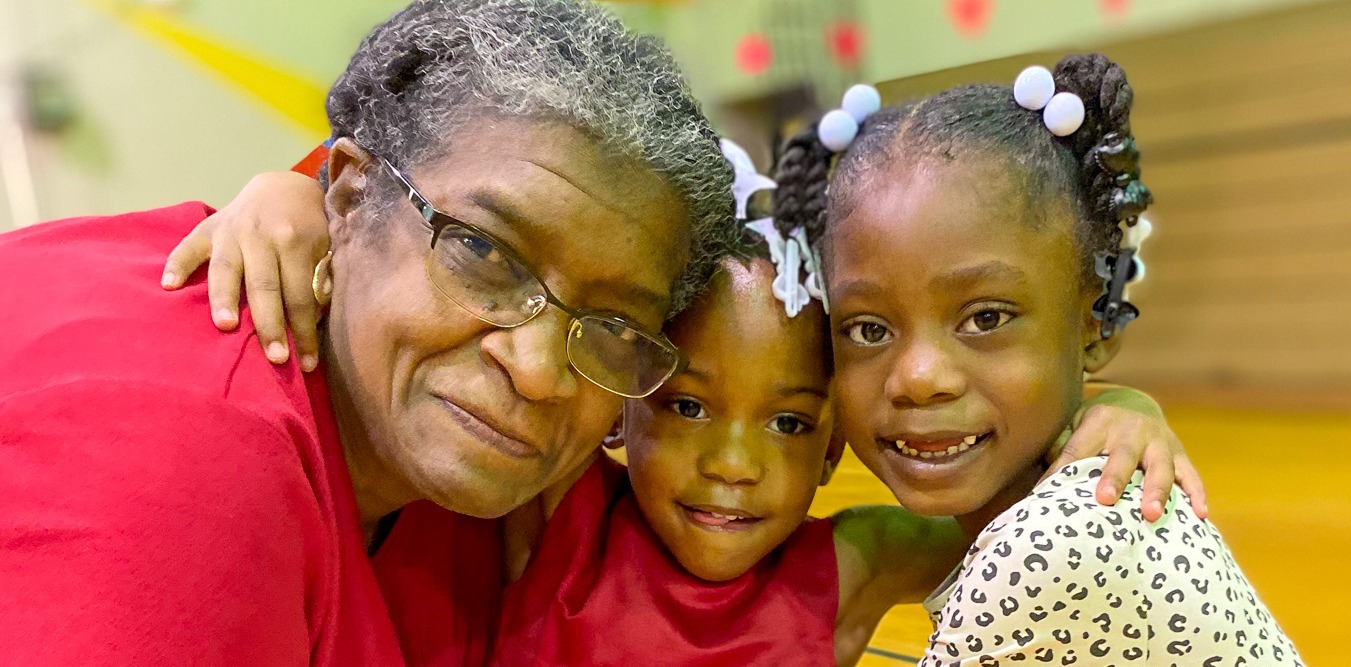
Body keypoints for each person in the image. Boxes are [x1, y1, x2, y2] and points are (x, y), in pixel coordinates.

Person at [159, 141, 1203, 667]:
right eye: (691, 407)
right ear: (620, 408)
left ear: (835, 435)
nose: (733, 463)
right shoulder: (563, 512)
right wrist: (290, 194)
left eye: (789, 423)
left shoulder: (850, 566)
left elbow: (1014, 492)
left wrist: (1126, 410)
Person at [0, 1, 736, 664]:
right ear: (349, 195)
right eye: (484, 252)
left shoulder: (473, 480)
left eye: (615, 322)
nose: (540, 370)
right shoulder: (184, 461)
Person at [765, 55, 1305, 665]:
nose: (918, 378)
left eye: (986, 318)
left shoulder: (1050, 546)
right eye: (867, 328)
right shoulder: (1036, 505)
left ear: (1093, 323)